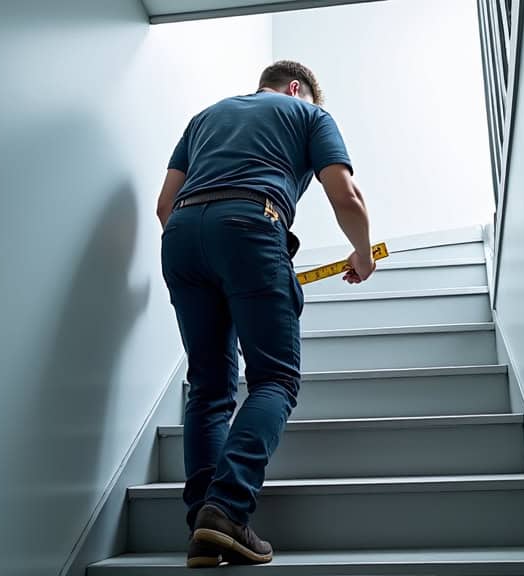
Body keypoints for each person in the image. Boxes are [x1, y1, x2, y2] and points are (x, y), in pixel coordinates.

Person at [156, 61, 375, 568]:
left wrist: (206, 249)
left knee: (209, 387)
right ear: (297, 89)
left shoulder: (204, 118)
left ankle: (203, 526)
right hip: (253, 223)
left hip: (183, 236)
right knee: (275, 379)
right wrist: (362, 254)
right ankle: (227, 510)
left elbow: (165, 204)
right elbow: (345, 194)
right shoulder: (308, 115)